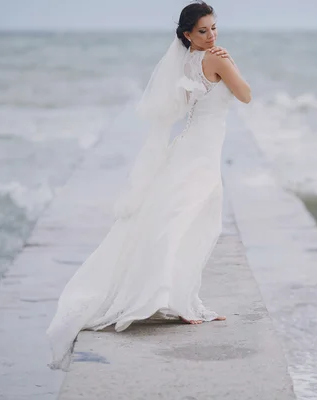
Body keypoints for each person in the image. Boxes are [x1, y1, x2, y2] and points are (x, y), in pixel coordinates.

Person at [46, 1, 251, 371]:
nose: (212, 35)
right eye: (203, 30)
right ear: (188, 34)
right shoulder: (217, 59)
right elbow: (246, 94)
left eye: (214, 28)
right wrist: (230, 61)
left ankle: (177, 298)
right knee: (188, 223)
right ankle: (172, 299)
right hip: (199, 154)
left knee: (185, 221)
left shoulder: (187, 60)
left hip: (193, 148)